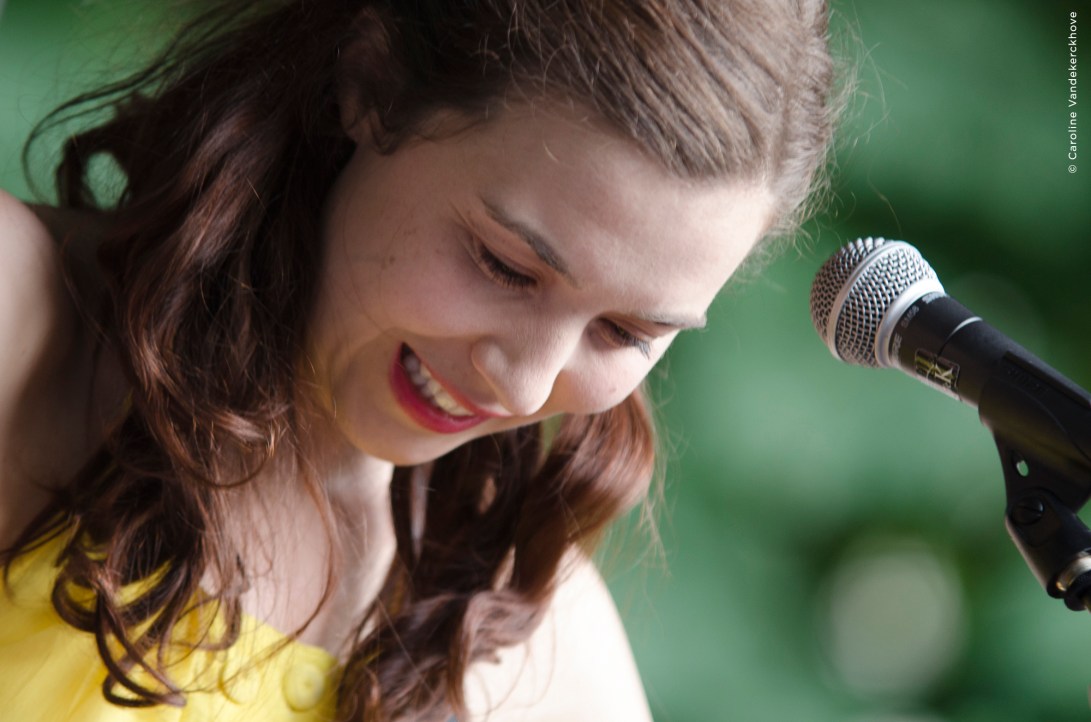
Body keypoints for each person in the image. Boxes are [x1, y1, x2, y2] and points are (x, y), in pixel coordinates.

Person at [0, 0, 837, 719]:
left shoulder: (525, 635)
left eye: (625, 333)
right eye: (505, 266)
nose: (524, 382)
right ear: (372, 86)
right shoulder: (24, 324)